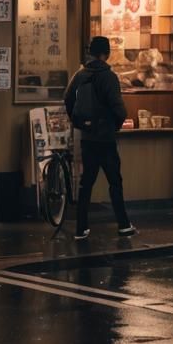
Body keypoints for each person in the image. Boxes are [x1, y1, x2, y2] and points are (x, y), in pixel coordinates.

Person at [64, 36, 136, 241]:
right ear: (106, 53)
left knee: (86, 182)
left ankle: (81, 228)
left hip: (87, 137)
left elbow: (68, 98)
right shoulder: (108, 76)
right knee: (114, 181)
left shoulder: (80, 74)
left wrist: (78, 121)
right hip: (105, 138)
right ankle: (123, 225)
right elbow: (118, 107)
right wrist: (116, 124)